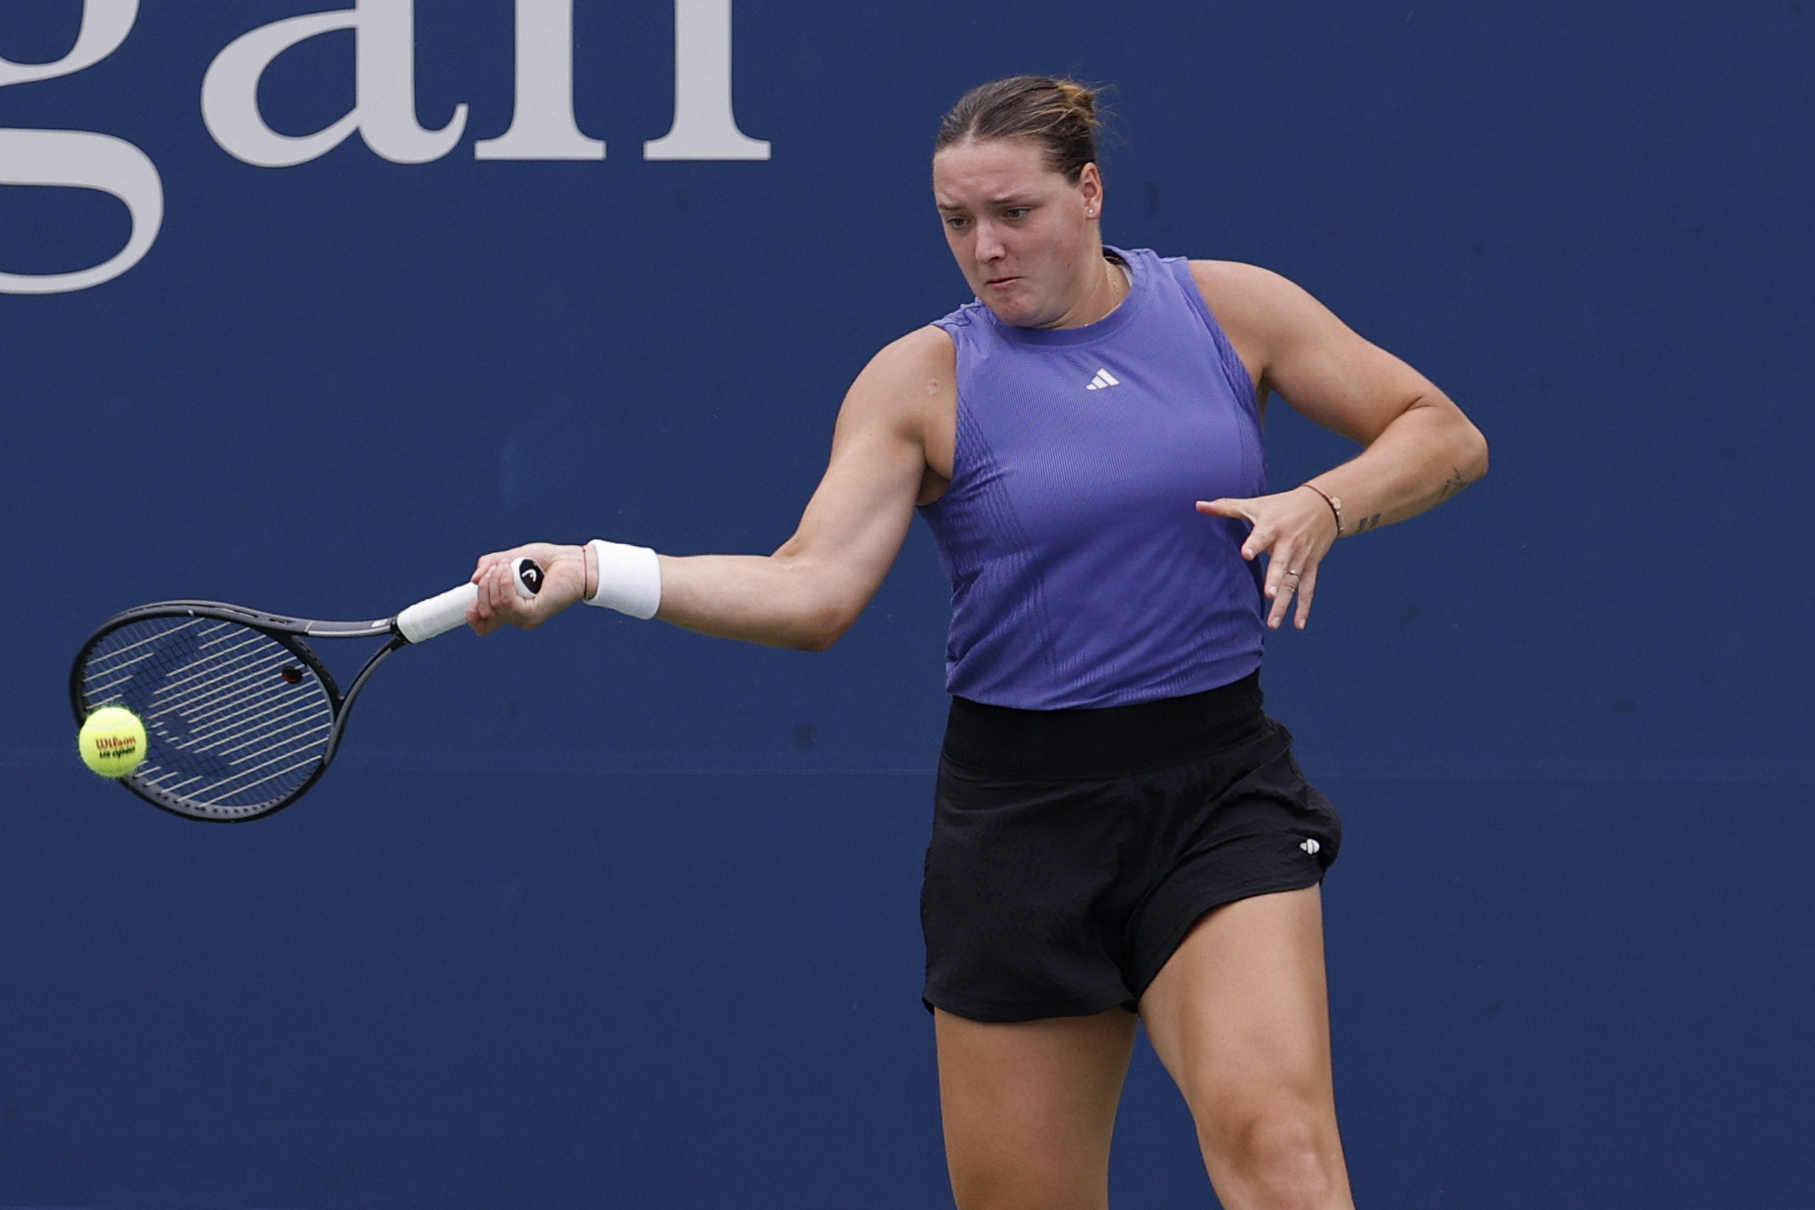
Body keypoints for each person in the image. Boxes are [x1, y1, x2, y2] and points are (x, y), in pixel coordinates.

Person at [467, 76, 1487, 1210]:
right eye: (958, 222)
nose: (986, 248)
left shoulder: (1230, 308)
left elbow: (1440, 430)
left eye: (1016, 213)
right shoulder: (922, 379)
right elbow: (812, 590)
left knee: (1282, 1154)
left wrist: (1327, 502)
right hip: (1020, 827)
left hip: (1216, 793)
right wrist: (600, 569)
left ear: (1090, 192)